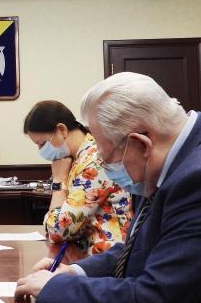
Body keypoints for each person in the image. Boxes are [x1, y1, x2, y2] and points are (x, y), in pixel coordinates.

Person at [15, 72, 201, 303]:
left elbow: (157, 299)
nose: (103, 165)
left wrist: (56, 288)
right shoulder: (166, 158)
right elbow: (138, 249)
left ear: (141, 145)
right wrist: (76, 271)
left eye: (106, 158)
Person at [23, 100, 132, 254]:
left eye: (42, 144)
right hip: (88, 253)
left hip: (108, 257)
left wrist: (59, 182)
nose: (41, 151)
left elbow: (58, 231)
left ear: (62, 130)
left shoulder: (94, 162)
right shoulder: (77, 160)